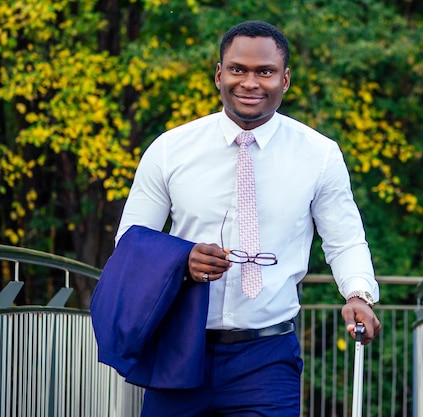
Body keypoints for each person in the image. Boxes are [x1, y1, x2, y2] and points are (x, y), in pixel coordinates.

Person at [112, 20, 381, 416]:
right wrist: (181, 262)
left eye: (265, 72)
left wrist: (358, 293)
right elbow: (129, 243)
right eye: (238, 69)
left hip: (267, 358)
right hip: (180, 347)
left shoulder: (320, 155)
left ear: (285, 80)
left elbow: (344, 240)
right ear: (219, 75)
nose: (250, 82)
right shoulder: (169, 149)